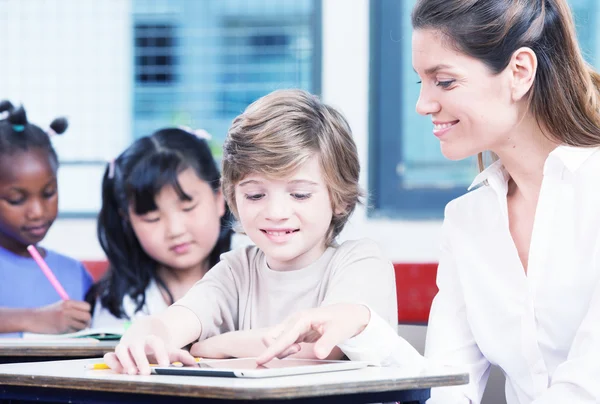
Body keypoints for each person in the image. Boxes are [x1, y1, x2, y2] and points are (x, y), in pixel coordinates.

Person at [257, 1, 600, 403]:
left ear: (519, 72)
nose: (423, 104)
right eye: (422, 82)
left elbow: (586, 385)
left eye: (445, 81)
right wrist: (361, 327)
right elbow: (447, 384)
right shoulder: (468, 220)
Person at [103, 89, 397, 375]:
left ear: (340, 198)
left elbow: (318, 351)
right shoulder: (236, 270)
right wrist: (147, 333)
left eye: (300, 195)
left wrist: (213, 345)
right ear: (232, 198)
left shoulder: (361, 262)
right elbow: (172, 324)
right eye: (255, 195)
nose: (276, 212)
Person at [87, 127, 233, 328]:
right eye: (152, 218)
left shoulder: (259, 270)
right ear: (128, 221)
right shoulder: (118, 304)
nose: (175, 230)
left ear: (219, 198)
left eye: (188, 207)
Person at [0, 100, 93, 337]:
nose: (38, 211)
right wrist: (32, 319)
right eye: (16, 199)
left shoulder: (74, 272)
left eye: (48, 193)